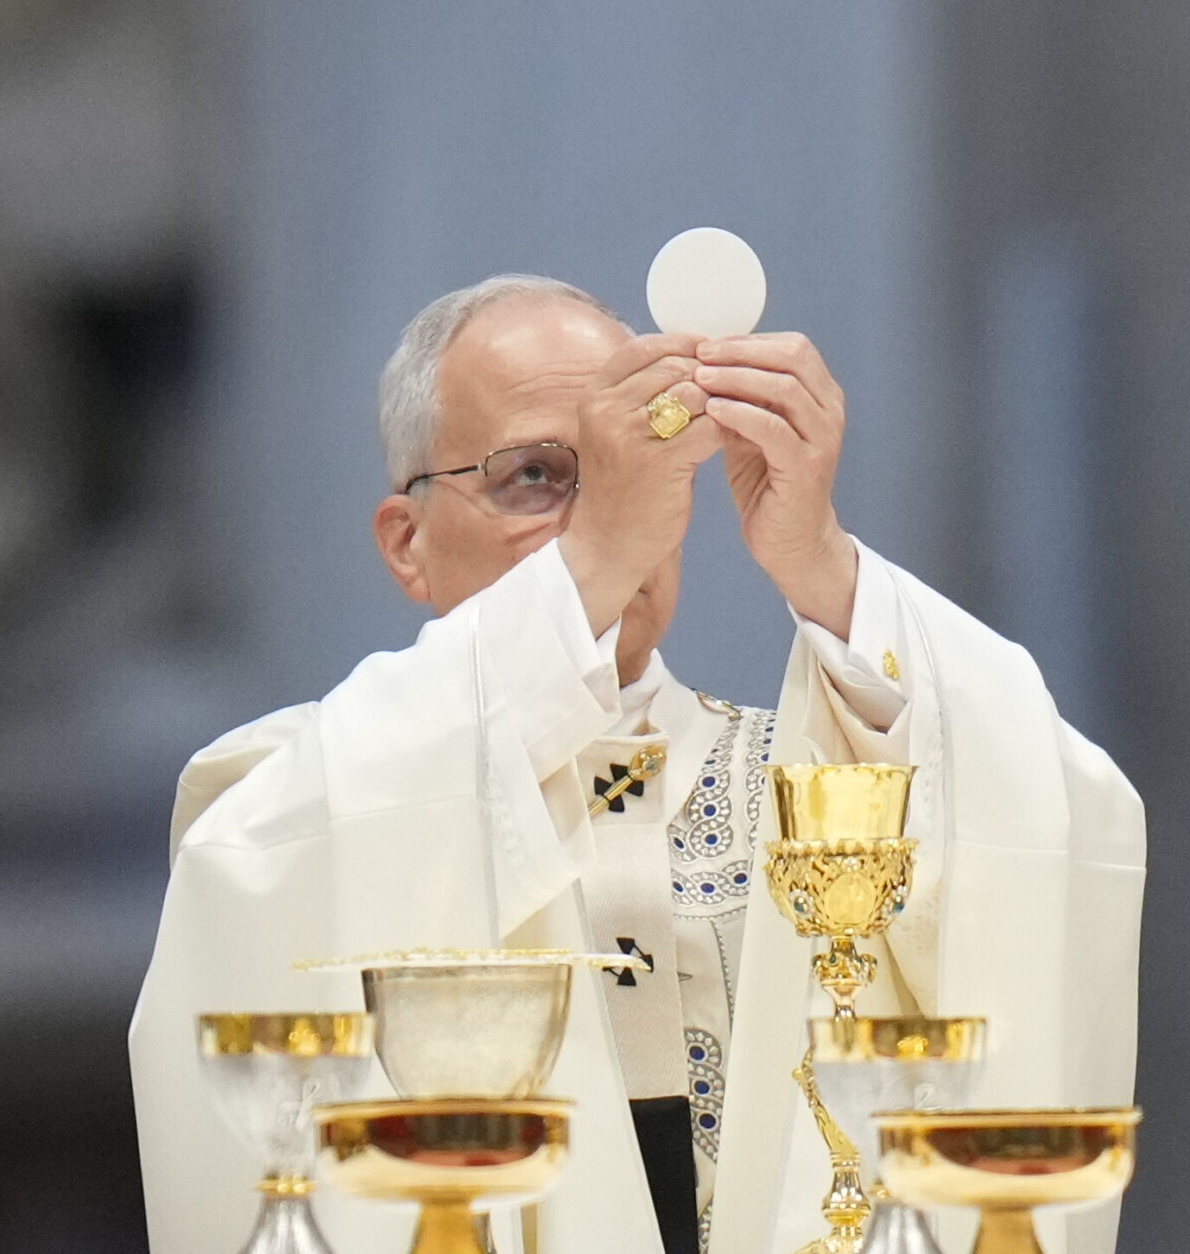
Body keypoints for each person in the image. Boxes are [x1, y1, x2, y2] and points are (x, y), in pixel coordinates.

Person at [129, 275, 1144, 1254]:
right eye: (537, 476)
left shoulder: (843, 761)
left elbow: (1049, 819)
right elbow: (252, 880)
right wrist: (590, 565)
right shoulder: (322, 781)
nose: (609, 517)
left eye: (639, 467)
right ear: (407, 543)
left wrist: (823, 564)